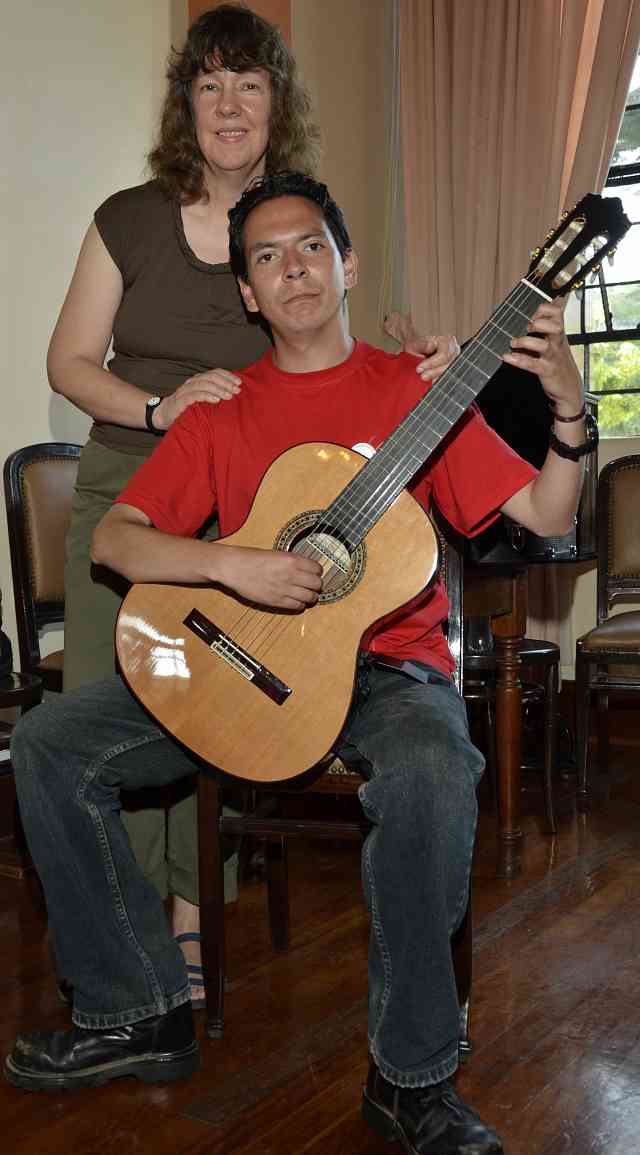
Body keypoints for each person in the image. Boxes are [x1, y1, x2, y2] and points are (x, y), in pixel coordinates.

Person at [5, 172, 587, 1154]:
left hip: (387, 670)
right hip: (238, 658)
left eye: (310, 246)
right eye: (266, 257)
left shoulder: (416, 389)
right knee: (54, 742)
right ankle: (138, 1011)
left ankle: (409, 1079)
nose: (292, 269)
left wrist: (568, 411)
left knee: (433, 772)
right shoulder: (222, 408)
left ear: (345, 263)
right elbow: (120, 542)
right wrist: (234, 565)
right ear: (246, 291)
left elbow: (544, 515)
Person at [47, 2, 456, 1004]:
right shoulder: (129, 218)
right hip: (137, 479)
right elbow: (66, 363)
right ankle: (137, 952)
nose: (229, 105)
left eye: (251, 84)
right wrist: (159, 403)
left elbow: (333, 363)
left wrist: (422, 358)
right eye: (210, 83)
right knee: (124, 703)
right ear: (185, 103)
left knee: (226, 703)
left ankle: (194, 928)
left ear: (278, 105)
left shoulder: (288, 220)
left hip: (255, 497)